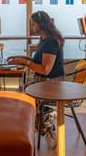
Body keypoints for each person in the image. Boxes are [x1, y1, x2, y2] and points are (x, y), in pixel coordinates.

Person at [8, 11, 64, 143]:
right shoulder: (44, 40)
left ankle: (41, 127)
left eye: (33, 24)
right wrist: (20, 58)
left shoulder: (50, 42)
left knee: (21, 96)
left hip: (50, 85)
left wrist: (25, 62)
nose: (32, 27)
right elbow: (38, 62)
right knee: (20, 93)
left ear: (42, 25)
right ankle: (38, 126)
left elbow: (45, 70)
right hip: (44, 82)